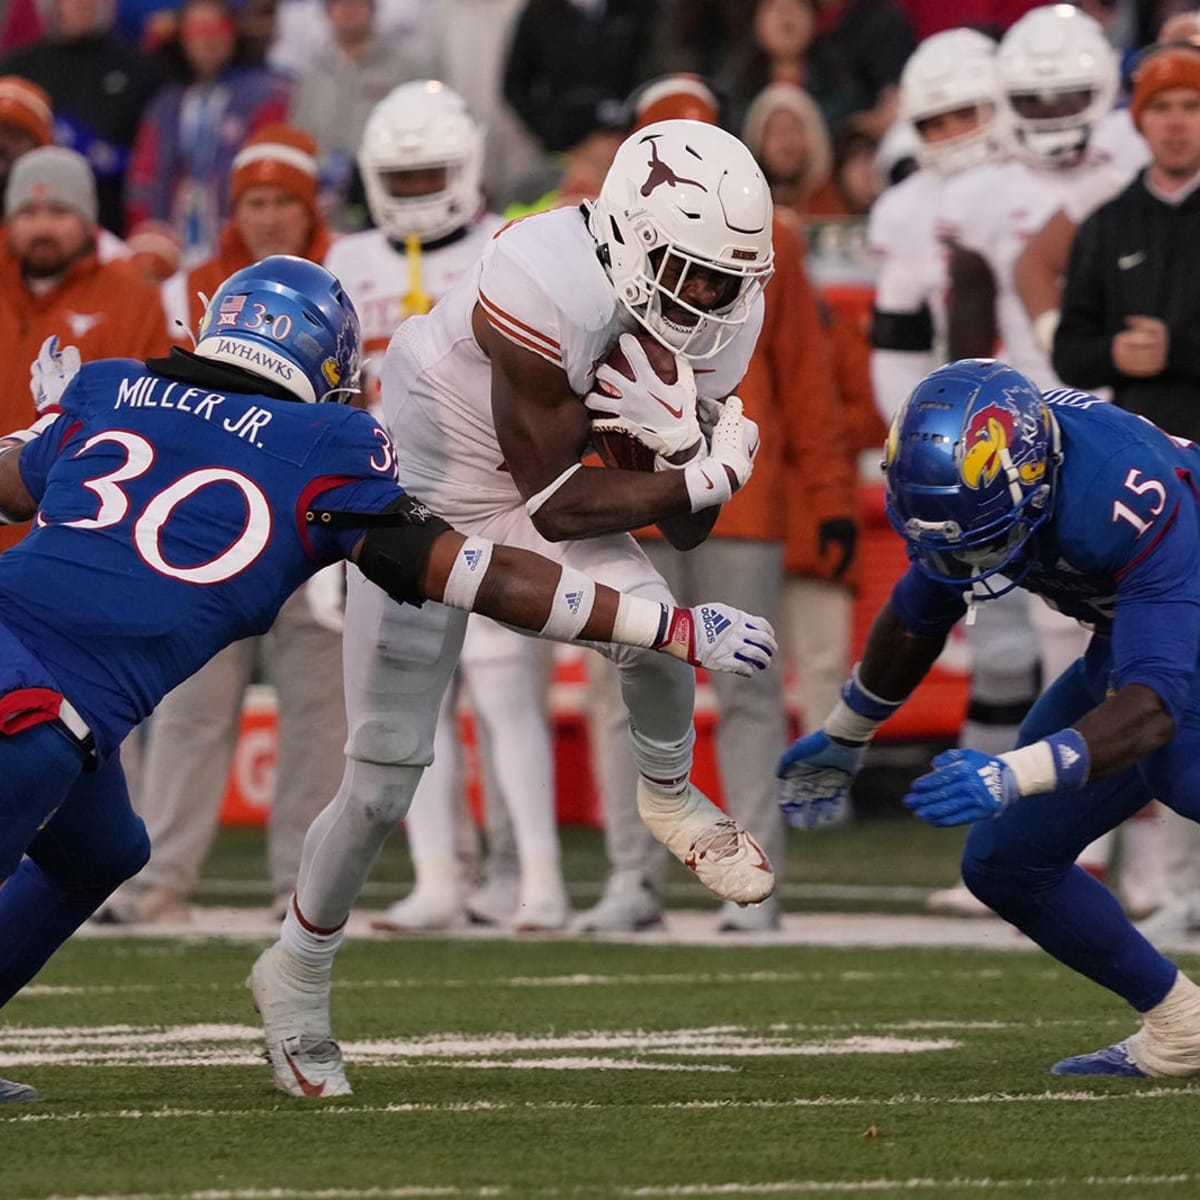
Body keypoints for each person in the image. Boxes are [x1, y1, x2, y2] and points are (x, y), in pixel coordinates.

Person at [0, 253, 776, 1104]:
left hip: (44, 687)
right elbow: (475, 573)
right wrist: (670, 623)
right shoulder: (325, 447)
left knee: (105, 850)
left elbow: (14, 486)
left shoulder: (108, 389)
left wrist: (45, 429)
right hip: (39, 713)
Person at [249, 116, 777, 1096]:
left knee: (659, 645)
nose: (706, 299)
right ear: (626, 234)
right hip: (420, 493)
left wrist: (685, 458)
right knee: (381, 780)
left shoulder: (721, 310)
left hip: (543, 490)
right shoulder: (541, 276)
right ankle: (295, 974)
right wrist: (699, 473)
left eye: (723, 277)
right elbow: (556, 500)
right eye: (687, 270)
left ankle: (666, 792)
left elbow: (684, 534)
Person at [779, 357, 1200, 1078]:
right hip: (1145, 636)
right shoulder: (980, 484)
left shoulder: (1123, 497)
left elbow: (1153, 709)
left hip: (1178, 625)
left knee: (1179, 771)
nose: (971, 560)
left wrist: (1013, 772)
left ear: (1034, 478)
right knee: (1007, 861)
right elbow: (921, 610)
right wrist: (847, 733)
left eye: (982, 537)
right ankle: (1184, 1028)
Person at [328, 80, 568, 931]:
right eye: (408, 175)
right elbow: (335, 400)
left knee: (506, 698)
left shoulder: (507, 250)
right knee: (407, 703)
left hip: (487, 496)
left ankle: (536, 875)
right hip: (388, 507)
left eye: (435, 174)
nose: (421, 191)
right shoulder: (347, 262)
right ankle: (437, 875)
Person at [99, 124, 344, 925]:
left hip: (316, 524)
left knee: (318, 712)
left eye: (283, 201)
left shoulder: (354, 273)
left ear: (308, 208)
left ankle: (297, 887)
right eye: (255, 201)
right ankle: (161, 876)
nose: (269, 216)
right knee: (191, 706)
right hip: (212, 523)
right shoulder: (189, 287)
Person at [0, 145, 171, 554]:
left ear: (89, 220)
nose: (42, 227)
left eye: (59, 213)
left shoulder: (133, 296)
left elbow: (155, 415)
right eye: (28, 213)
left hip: (72, 537)